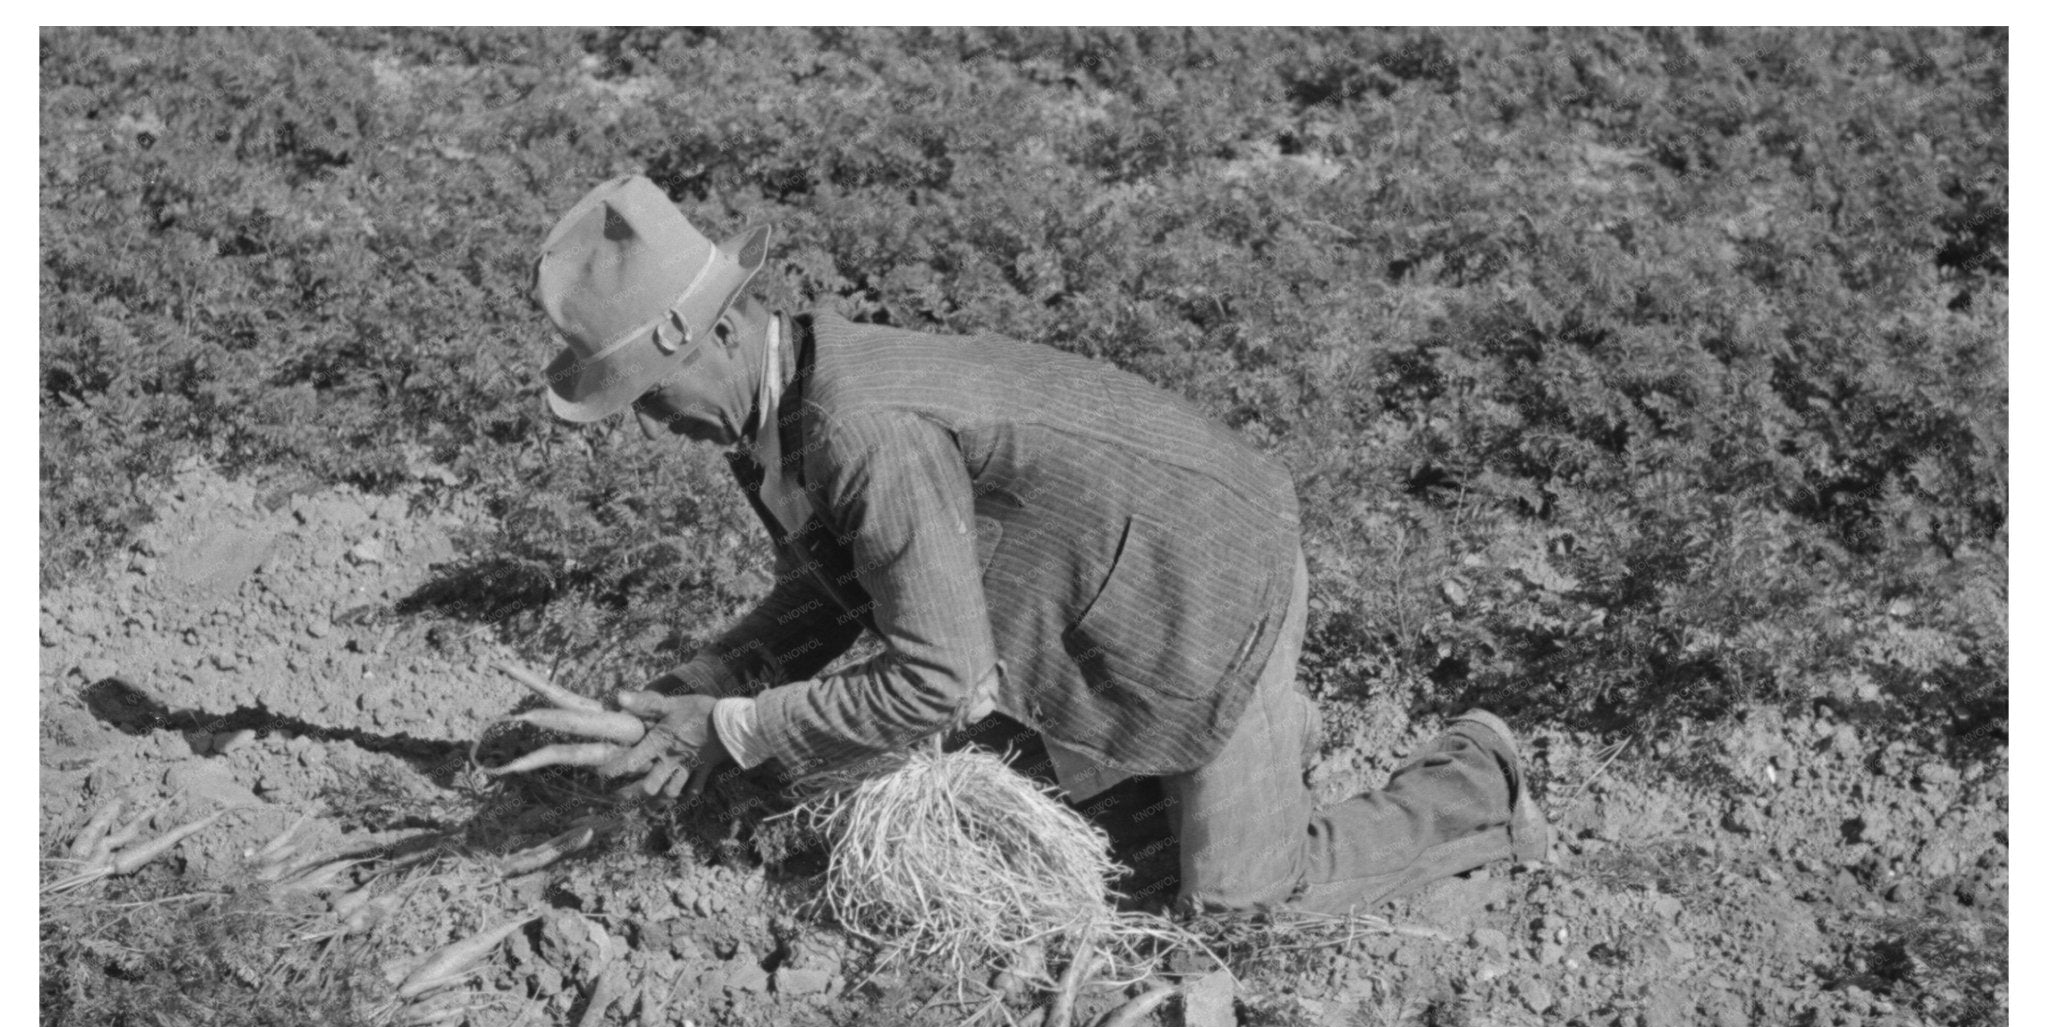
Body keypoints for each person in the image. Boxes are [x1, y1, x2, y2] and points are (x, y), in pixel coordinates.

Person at [530, 175, 1547, 918]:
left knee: (1242, 906)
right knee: (1048, 821)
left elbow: (933, 678)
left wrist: (736, 728)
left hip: (1209, 582)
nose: (643, 418)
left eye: (641, 391)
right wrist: (713, 677)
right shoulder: (772, 410)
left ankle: (1471, 776)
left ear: (707, 336)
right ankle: (1259, 740)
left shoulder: (856, 430)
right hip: (1095, 593)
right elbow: (833, 587)